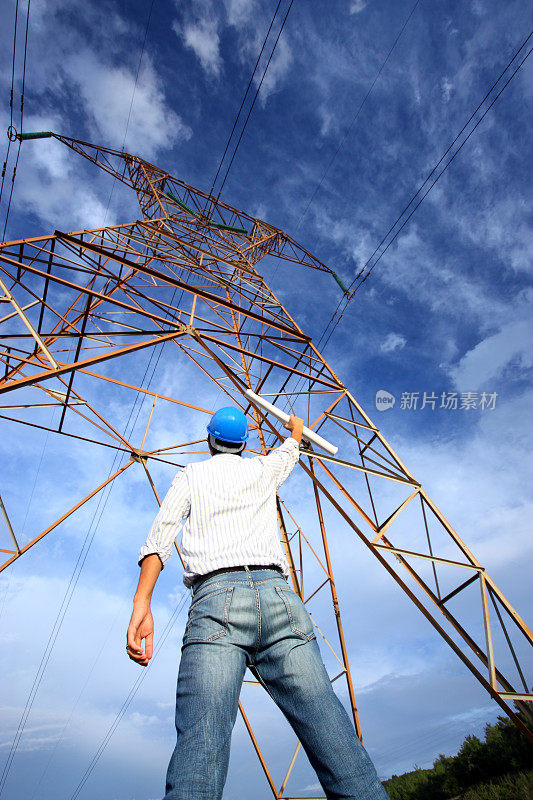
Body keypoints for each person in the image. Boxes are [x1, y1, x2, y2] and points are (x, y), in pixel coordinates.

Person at [126, 407, 388, 800]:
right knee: (334, 739)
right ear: (244, 444)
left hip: (217, 602)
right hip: (281, 598)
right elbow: (291, 447)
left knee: (201, 745)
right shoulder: (265, 469)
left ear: (208, 440)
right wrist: (295, 430)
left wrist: (141, 605)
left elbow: (159, 542)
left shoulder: (191, 475)